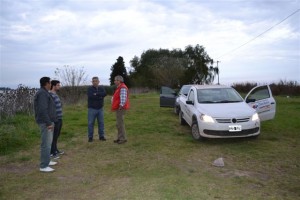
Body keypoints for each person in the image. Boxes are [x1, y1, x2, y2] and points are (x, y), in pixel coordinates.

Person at [34, 77, 57, 172]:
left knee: (49, 143)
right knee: (46, 144)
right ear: (47, 83)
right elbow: (43, 110)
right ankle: (43, 166)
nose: (51, 84)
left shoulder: (45, 92)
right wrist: (48, 123)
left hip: (48, 121)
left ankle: (47, 161)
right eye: (50, 82)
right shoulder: (42, 93)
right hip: (45, 122)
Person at [87, 77, 107, 142]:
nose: (95, 82)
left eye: (96, 81)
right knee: (90, 123)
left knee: (101, 123)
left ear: (99, 81)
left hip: (100, 109)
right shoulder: (89, 89)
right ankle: (90, 137)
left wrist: (96, 94)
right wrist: (100, 96)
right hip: (92, 109)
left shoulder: (101, 88)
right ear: (92, 82)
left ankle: (101, 136)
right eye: (93, 81)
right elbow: (91, 96)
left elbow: (104, 94)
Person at [111, 75, 130, 144]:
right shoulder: (119, 87)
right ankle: (119, 138)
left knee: (120, 123)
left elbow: (123, 98)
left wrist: (120, 106)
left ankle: (122, 139)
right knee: (118, 124)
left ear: (119, 81)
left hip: (120, 108)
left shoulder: (122, 88)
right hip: (119, 108)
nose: (114, 81)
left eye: (115, 80)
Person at [49, 80, 64, 159]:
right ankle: (52, 152)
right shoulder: (50, 95)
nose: (59, 86)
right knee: (54, 136)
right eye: (58, 85)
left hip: (59, 118)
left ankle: (55, 150)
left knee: (57, 135)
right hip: (55, 119)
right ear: (53, 86)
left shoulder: (55, 94)